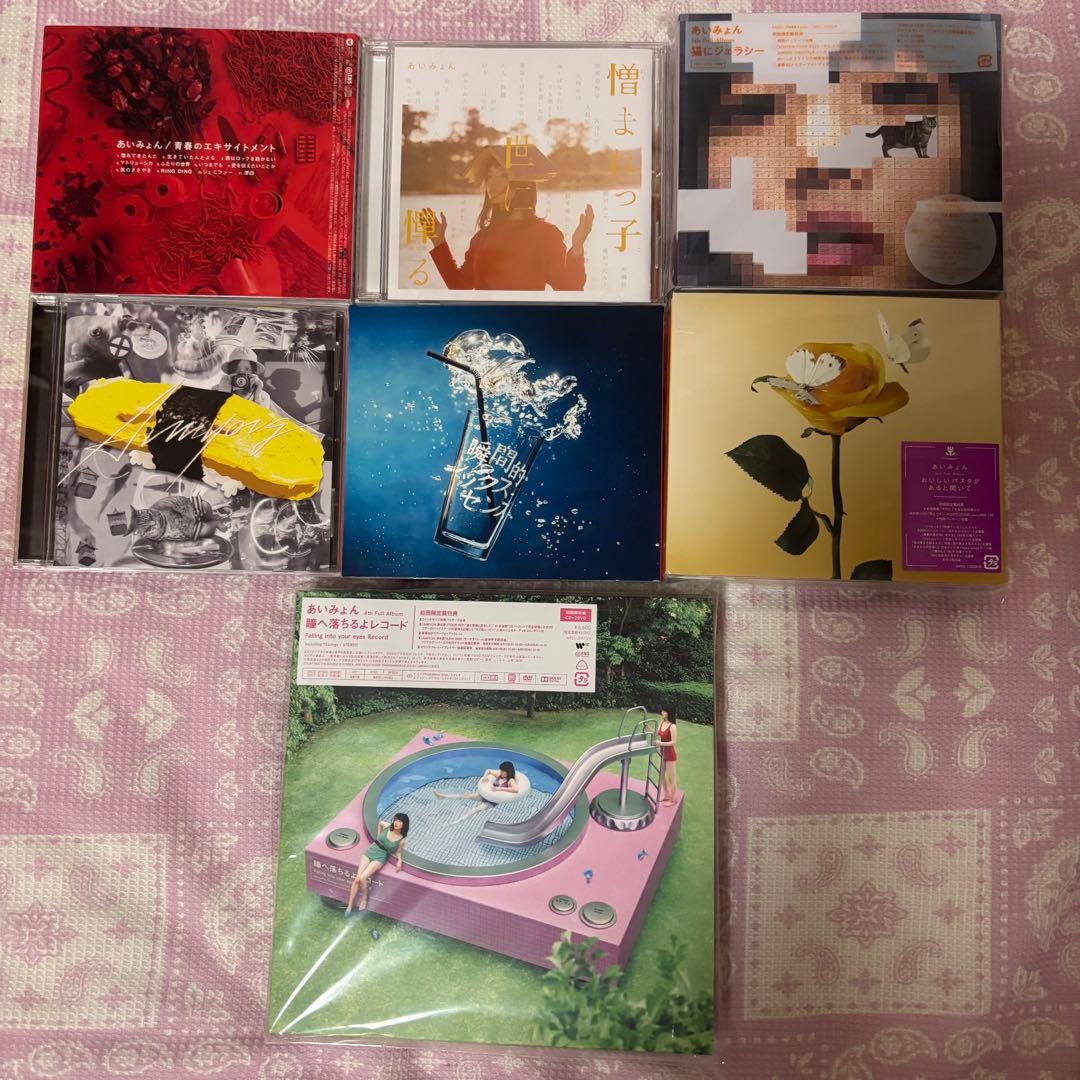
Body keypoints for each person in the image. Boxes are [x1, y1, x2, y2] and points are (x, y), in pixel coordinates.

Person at [421, 143, 593, 292]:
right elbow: (459, 286)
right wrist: (439, 242)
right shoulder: (482, 238)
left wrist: (577, 248)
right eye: (490, 177)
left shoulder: (545, 234)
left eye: (503, 176)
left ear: (523, 183)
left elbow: (569, 289)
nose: (492, 184)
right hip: (485, 319)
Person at [344, 814, 408, 914]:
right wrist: (378, 836)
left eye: (400, 821)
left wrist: (399, 860)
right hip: (370, 850)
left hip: (380, 857)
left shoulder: (401, 839)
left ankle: (364, 898)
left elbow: (398, 852)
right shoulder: (387, 826)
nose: (396, 822)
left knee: (362, 878)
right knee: (357, 879)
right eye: (396, 820)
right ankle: (349, 906)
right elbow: (380, 823)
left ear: (404, 824)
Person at [434, 760, 519, 824]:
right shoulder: (499, 775)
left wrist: (499, 789)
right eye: (501, 770)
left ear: (508, 771)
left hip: (492, 801)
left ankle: (456, 822)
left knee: (476, 809)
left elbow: (515, 790)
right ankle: (443, 796)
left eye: (503, 771)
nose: (501, 772)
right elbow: (488, 770)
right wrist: (485, 777)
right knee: (465, 796)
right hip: (485, 795)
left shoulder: (510, 780)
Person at [657, 709, 678, 805]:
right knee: (661, 775)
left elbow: (673, 742)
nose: (662, 713)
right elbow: (657, 733)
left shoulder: (672, 726)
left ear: (669, 713)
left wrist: (660, 743)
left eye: (664, 711)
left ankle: (672, 800)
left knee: (671, 778)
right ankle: (666, 795)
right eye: (662, 711)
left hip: (670, 754)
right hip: (662, 753)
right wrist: (648, 728)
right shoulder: (662, 722)